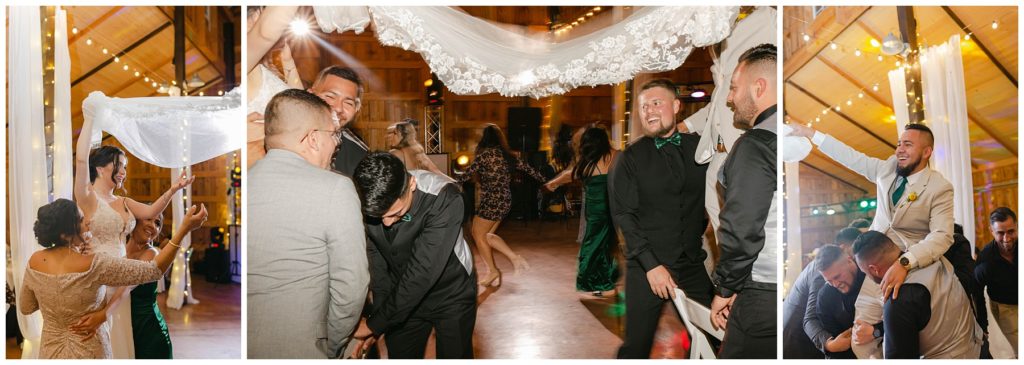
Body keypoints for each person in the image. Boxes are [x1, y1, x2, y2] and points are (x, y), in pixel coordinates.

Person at [788, 121, 954, 358]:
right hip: (872, 264)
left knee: (905, 327)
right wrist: (813, 135)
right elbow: (850, 157)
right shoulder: (887, 168)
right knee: (860, 337)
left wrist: (905, 262)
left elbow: (942, 235)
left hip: (913, 262)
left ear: (927, 152)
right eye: (899, 144)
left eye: (907, 145)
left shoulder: (940, 187)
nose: (899, 150)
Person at [247, 89, 369, 358]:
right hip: (303, 347)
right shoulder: (335, 188)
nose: (337, 143)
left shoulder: (247, 181)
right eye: (334, 134)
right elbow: (351, 285)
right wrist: (335, 344)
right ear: (313, 138)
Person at [73, 109, 194, 359]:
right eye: (119, 165)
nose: (123, 172)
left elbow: (151, 210)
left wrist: (173, 189)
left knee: (121, 339)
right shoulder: (87, 197)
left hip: (122, 273)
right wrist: (89, 119)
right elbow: (81, 160)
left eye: (125, 167)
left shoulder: (124, 201)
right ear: (100, 168)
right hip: (96, 276)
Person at [19, 199, 207, 359]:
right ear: (66, 233)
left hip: (50, 351)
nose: (88, 224)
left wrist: (56, 308)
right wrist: (184, 229)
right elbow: (154, 271)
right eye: (82, 220)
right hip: (89, 349)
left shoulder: (35, 261)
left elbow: (26, 307)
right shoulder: (95, 264)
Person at [608, 79, 711, 358]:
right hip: (647, 267)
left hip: (691, 265)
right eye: (643, 107)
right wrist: (651, 265)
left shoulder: (700, 150)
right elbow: (624, 216)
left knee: (715, 336)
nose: (649, 111)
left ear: (676, 106)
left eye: (656, 103)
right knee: (636, 347)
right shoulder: (629, 159)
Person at [349, 153, 477, 359]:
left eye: (395, 214)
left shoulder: (445, 197)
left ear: (412, 184)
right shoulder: (367, 197)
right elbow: (377, 263)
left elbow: (422, 273)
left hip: (451, 293)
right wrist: (379, 321)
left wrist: (373, 324)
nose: (387, 223)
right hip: (401, 293)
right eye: (378, 217)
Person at [710, 43, 778, 359]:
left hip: (764, 293)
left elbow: (742, 229)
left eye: (734, 88)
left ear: (759, 87)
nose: (729, 98)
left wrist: (726, 288)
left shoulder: (756, 146)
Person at [852, 231, 982, 359]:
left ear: (874, 269)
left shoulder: (897, 301)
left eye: (865, 273)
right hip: (979, 350)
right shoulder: (936, 259)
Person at [455, 124, 547, 287]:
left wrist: (447, 182)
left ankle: (495, 269)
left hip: (491, 201)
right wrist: (548, 182)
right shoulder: (508, 156)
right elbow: (531, 171)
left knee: (478, 235)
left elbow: (465, 176)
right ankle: (509, 261)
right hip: (505, 200)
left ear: (485, 138)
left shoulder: (484, 156)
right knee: (488, 236)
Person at [545, 127, 620, 297]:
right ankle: (605, 278)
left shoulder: (587, 162)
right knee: (605, 244)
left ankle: (593, 281)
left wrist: (553, 184)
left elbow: (568, 175)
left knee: (592, 246)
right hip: (613, 209)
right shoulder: (616, 155)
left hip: (595, 211)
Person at [783, 227, 860, 358]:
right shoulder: (823, 274)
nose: (857, 257)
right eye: (856, 250)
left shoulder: (835, 267)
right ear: (843, 249)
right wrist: (829, 344)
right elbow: (810, 318)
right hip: (798, 340)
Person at [246, 6, 303, 167]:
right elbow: (264, 34)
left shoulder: (264, 68)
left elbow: (301, 105)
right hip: (260, 163)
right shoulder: (247, 61)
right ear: (256, 15)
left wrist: (287, 60)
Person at [307, 66, 368, 177]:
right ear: (310, 95)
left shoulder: (360, 155)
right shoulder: (287, 137)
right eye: (330, 96)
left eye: (348, 103)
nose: (339, 108)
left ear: (356, 110)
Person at [126, 213, 173, 359]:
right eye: (148, 219)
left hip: (149, 332)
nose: (153, 226)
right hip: (123, 327)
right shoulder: (117, 249)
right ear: (134, 221)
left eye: (158, 223)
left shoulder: (152, 253)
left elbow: (125, 287)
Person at [976, 207, 1018, 358]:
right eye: (1000, 233)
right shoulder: (985, 261)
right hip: (1005, 307)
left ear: (1017, 226)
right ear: (992, 232)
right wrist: (982, 324)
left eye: (1011, 231)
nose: (1006, 238)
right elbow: (977, 293)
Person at [813, 244, 863, 359]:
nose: (835, 284)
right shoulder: (825, 296)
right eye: (829, 280)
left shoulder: (870, 276)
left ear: (849, 261)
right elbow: (836, 342)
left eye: (837, 276)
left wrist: (876, 331)